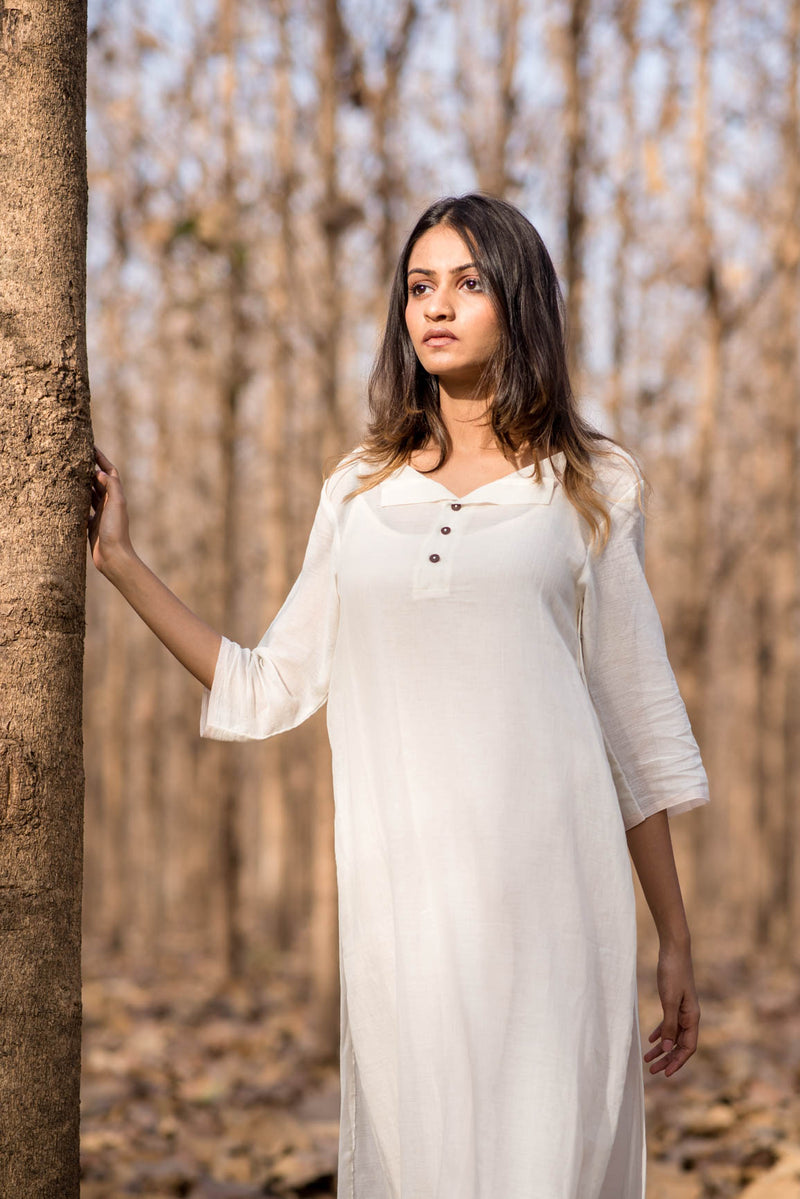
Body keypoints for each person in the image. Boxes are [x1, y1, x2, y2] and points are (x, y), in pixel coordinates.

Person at [89, 192, 710, 1199]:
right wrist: (119, 562)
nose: (437, 305)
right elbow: (266, 682)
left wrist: (675, 936)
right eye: (419, 285)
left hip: (553, 906)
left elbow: (632, 728)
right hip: (402, 916)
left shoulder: (590, 486)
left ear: (520, 304)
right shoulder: (360, 492)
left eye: (467, 283)